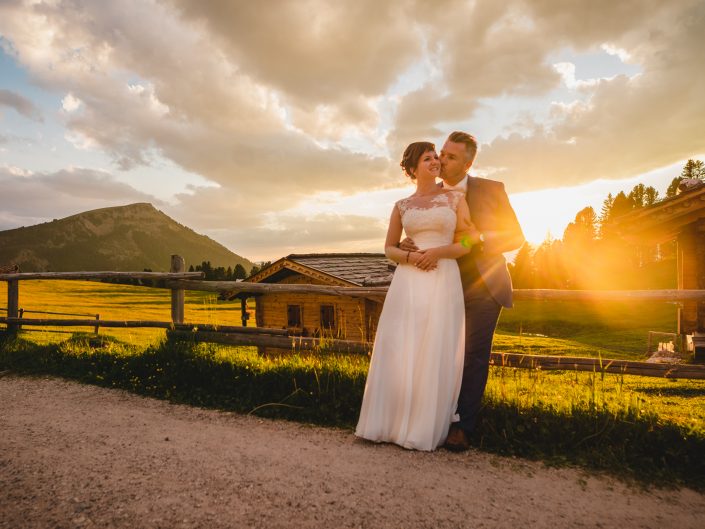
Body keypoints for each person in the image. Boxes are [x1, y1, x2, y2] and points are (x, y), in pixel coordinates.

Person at [401, 131, 525, 451]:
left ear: (468, 164)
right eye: (441, 153)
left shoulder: (491, 189)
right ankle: (433, 419)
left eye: (451, 156)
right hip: (442, 284)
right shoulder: (430, 192)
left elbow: (515, 236)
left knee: (473, 356)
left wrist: (477, 240)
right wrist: (410, 243)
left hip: (484, 285)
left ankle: (462, 426)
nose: (441, 160)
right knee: (439, 352)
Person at [355, 141, 478, 451]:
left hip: (442, 276)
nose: (435, 161)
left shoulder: (455, 198)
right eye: (427, 158)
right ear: (412, 169)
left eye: (436, 156)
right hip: (408, 281)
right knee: (402, 345)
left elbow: (467, 242)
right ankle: (390, 423)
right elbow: (389, 248)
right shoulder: (402, 206)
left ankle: (422, 426)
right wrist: (410, 258)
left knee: (434, 345)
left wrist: (437, 252)